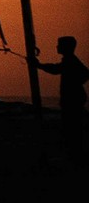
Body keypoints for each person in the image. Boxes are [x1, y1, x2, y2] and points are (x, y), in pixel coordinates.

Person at [35, 36, 89, 164]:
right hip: (73, 100)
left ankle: (75, 158)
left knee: (72, 129)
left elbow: (55, 69)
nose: (57, 47)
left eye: (59, 44)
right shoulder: (70, 61)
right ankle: (74, 156)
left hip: (73, 101)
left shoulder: (70, 61)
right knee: (72, 129)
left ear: (66, 47)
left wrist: (39, 65)